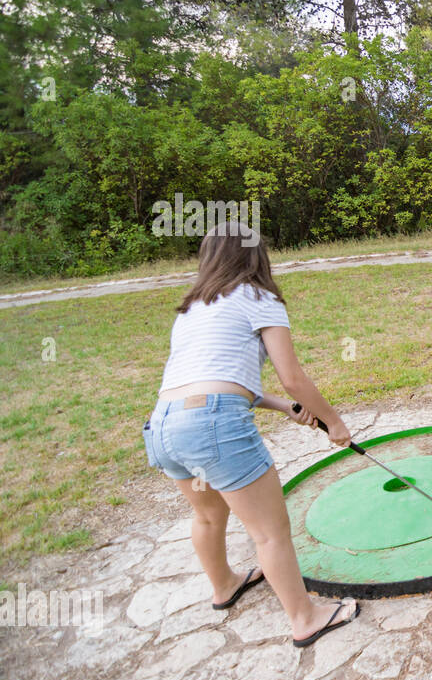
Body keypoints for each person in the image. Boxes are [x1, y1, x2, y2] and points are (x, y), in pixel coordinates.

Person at [142, 221, 361, 647]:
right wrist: (333, 421)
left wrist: (282, 406)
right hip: (210, 426)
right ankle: (305, 617)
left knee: (207, 514)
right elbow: (293, 377)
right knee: (270, 531)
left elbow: (214, 380)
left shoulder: (191, 309)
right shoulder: (260, 298)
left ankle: (224, 586)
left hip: (164, 426)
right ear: (256, 258)